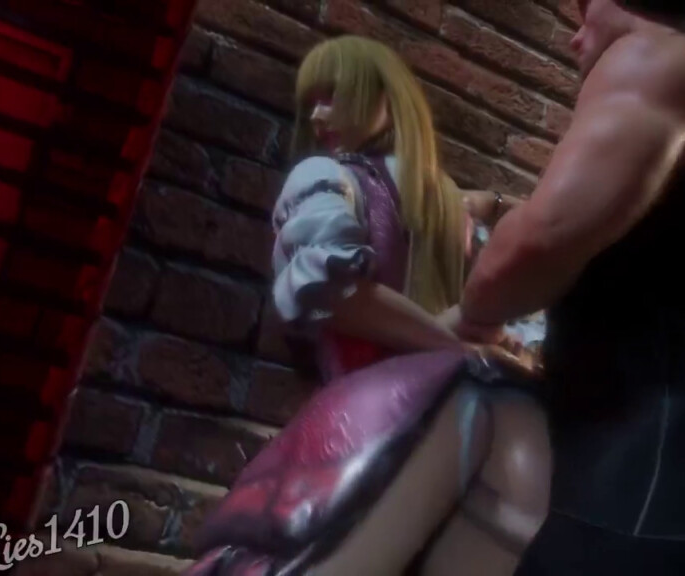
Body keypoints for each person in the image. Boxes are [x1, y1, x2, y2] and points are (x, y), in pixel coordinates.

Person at [454, 0, 685, 574]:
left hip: (649, 496)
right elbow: (631, 245)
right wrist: (500, 207)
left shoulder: (660, 60)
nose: (576, 37)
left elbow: (520, 259)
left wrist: (474, 309)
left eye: (585, 10)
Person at [184, 36, 551, 576]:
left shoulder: (346, 184)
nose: (317, 115)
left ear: (386, 97)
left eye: (333, 95)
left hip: (370, 418)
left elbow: (341, 297)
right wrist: (461, 347)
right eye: (311, 102)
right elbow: (345, 297)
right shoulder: (430, 203)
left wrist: (467, 343)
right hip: (425, 414)